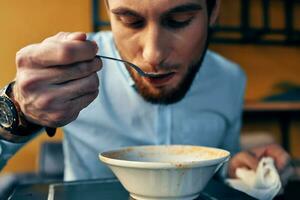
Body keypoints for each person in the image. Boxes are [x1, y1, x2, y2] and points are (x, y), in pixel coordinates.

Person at [0, 0, 290, 182]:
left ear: (213, 11)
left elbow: (222, 162)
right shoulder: (71, 71)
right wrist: (19, 107)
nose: (153, 55)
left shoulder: (230, 79)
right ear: (108, 10)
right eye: (130, 21)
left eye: (179, 21)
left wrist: (235, 168)